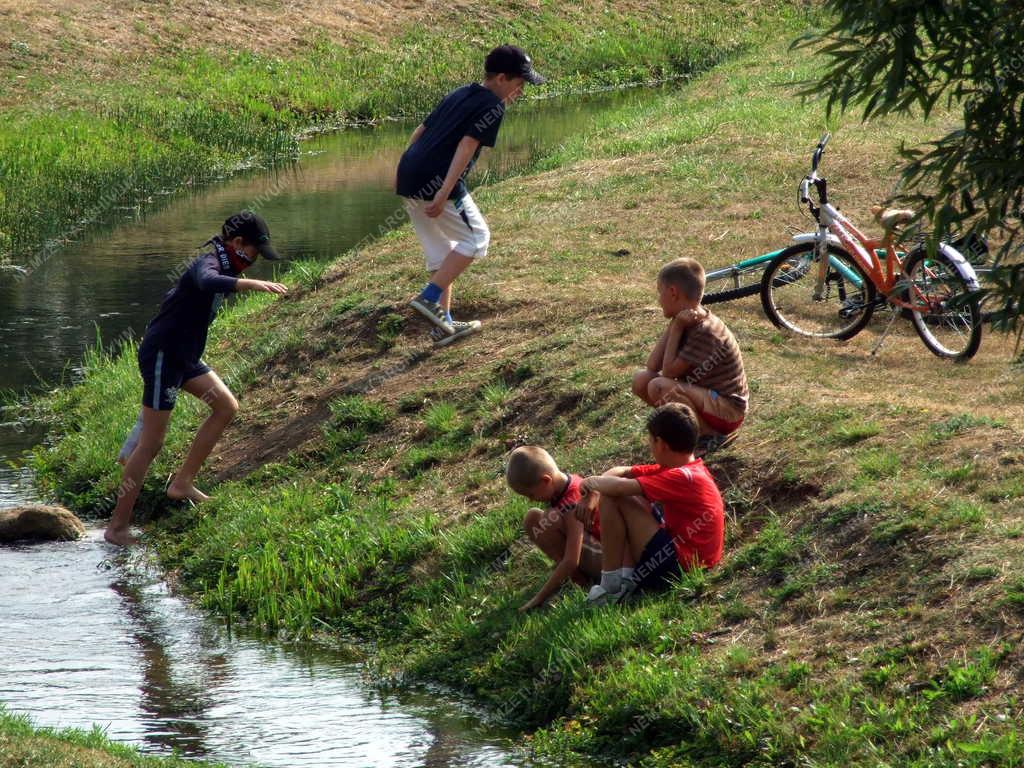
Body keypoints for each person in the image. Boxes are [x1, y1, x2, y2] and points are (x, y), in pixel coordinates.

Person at [104, 211, 288, 546]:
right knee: (152, 442)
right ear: (236, 243)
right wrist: (249, 284)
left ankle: (182, 483)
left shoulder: (228, 264)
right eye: (253, 253)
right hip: (163, 355)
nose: (254, 262)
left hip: (185, 357)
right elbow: (205, 282)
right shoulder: (208, 264)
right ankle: (117, 528)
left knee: (225, 407)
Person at [397, 44, 545, 346]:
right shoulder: (492, 105)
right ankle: (429, 298)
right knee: (477, 238)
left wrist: (403, 168)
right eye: (519, 84)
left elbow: (420, 132)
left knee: (443, 253)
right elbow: (466, 146)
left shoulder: (459, 93)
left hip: (410, 176)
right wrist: (444, 191)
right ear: (502, 78)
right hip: (436, 180)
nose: (520, 91)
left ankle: (443, 325)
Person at [575, 403, 725, 605]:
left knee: (615, 496)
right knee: (626, 492)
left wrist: (590, 483)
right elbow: (621, 470)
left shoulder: (681, 476)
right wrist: (594, 492)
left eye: (650, 440)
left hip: (681, 568)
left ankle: (610, 586)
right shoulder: (684, 469)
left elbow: (617, 489)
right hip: (688, 561)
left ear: (660, 443)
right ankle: (626, 579)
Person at [632, 257, 748, 454]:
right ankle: (688, 431)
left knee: (658, 386)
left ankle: (708, 435)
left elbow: (667, 373)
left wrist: (676, 328)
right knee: (641, 380)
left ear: (673, 292)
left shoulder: (705, 331)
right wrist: (674, 323)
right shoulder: (686, 319)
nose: (659, 299)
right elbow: (652, 366)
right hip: (708, 400)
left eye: (660, 292)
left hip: (728, 411)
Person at [506, 446, 602, 612]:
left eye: (531, 495)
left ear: (545, 481)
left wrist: (539, 598)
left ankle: (583, 581)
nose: (531, 500)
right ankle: (573, 577)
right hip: (592, 551)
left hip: (607, 559)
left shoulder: (572, 503)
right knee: (533, 518)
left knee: (550, 518)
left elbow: (572, 560)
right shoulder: (564, 485)